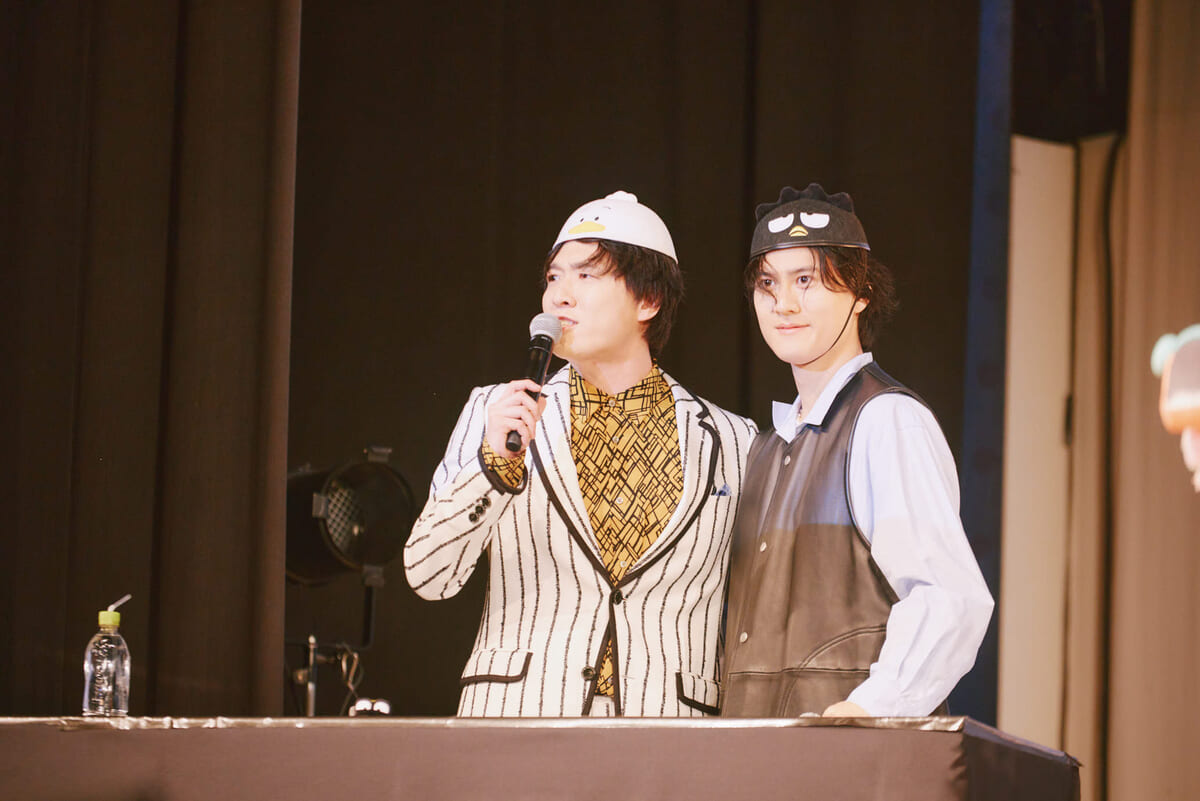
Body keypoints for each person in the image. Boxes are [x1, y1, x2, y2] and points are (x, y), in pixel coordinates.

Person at [404, 190, 756, 717]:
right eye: (553, 278)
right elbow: (429, 575)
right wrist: (492, 467)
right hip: (520, 717)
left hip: (668, 730)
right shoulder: (495, 411)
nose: (559, 296)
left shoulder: (733, 439)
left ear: (648, 300)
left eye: (587, 275)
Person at [720, 183, 994, 718]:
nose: (784, 304)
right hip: (754, 748)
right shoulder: (765, 447)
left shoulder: (886, 420)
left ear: (861, 292)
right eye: (768, 283)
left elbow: (947, 597)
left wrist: (870, 709)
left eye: (806, 280)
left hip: (848, 750)